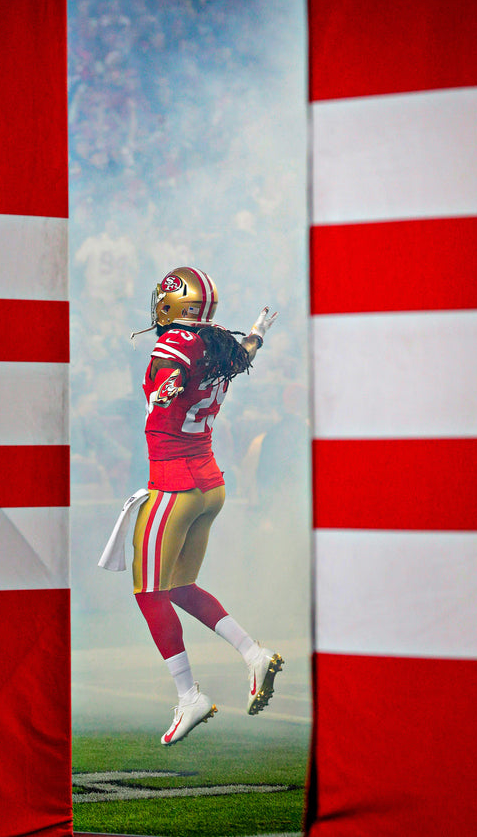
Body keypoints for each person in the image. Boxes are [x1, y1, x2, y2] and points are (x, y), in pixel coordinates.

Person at [130, 266, 283, 745]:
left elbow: (171, 372)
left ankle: (188, 696)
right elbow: (247, 353)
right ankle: (253, 653)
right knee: (178, 585)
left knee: (147, 591)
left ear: (176, 304)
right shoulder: (217, 342)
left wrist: (167, 386)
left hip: (174, 486)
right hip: (210, 484)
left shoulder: (173, 345)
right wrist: (257, 333)